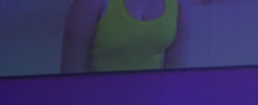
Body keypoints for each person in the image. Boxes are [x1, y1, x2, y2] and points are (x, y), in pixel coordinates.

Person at [62, 0, 190, 73]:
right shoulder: (90, 3)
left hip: (153, 99)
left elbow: (174, 67)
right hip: (98, 101)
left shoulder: (180, 4)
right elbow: (71, 71)